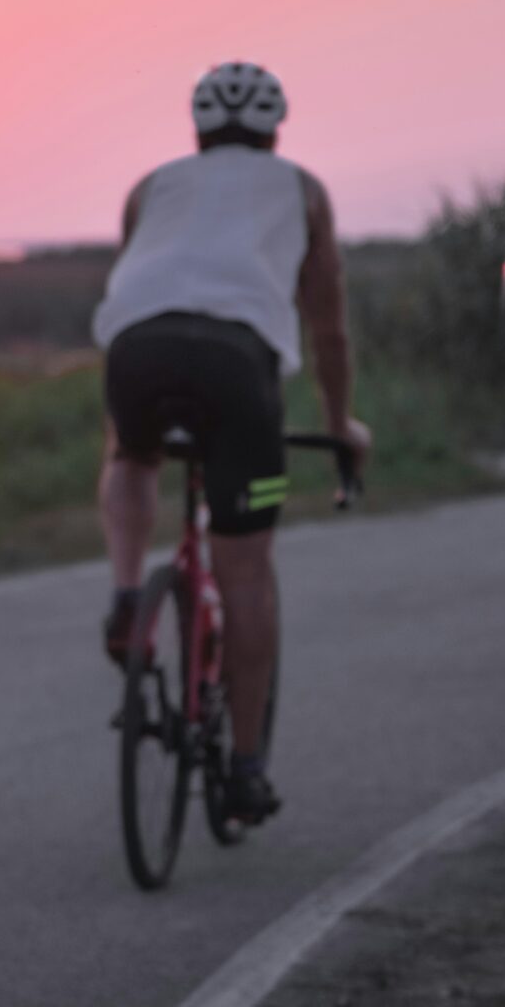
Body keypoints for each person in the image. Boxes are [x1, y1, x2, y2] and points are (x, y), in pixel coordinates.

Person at [91, 61, 369, 826]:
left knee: (131, 452)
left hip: (136, 351)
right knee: (245, 573)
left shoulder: (152, 186)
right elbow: (328, 327)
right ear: (276, 130)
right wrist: (340, 421)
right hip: (237, 369)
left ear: (197, 130)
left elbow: (141, 278)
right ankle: (246, 767)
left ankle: (124, 591)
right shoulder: (302, 190)